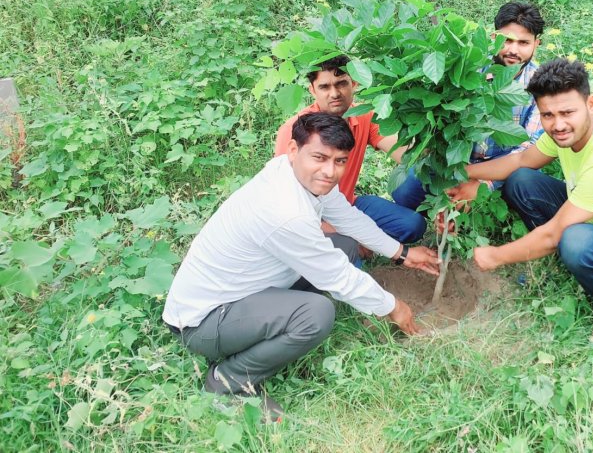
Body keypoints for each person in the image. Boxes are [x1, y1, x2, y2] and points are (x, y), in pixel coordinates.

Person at [163, 113, 440, 420]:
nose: (329, 171)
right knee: (316, 314)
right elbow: (337, 277)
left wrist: (401, 253)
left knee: (344, 245)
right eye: (319, 157)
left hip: (245, 291)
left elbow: (347, 217)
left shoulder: (296, 175)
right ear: (293, 150)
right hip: (203, 321)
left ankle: (275, 328)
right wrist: (393, 306)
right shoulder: (286, 212)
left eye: (339, 161)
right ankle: (227, 382)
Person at [459, 58, 593, 338]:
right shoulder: (568, 133)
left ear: (591, 104)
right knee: (521, 181)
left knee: (573, 240)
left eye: (567, 112)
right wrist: (463, 172)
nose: (558, 124)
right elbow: (522, 159)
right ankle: (572, 263)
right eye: (547, 115)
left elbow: (553, 235)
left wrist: (496, 256)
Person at [391, 1, 546, 210]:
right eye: (507, 40)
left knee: (524, 180)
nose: (513, 50)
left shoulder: (542, 86)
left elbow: (527, 149)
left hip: (503, 169)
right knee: (406, 187)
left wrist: (485, 183)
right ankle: (436, 213)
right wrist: (453, 170)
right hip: (455, 161)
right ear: (493, 37)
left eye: (524, 43)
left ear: (537, 43)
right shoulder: (468, 68)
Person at [274, 55, 426, 244]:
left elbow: (406, 154)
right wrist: (346, 234)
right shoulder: (294, 130)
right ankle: (354, 245)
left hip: (347, 204)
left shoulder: (364, 116)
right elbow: (285, 202)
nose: (335, 93)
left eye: (341, 83)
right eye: (324, 87)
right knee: (347, 246)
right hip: (309, 216)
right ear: (312, 90)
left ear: (354, 83)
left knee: (412, 224)